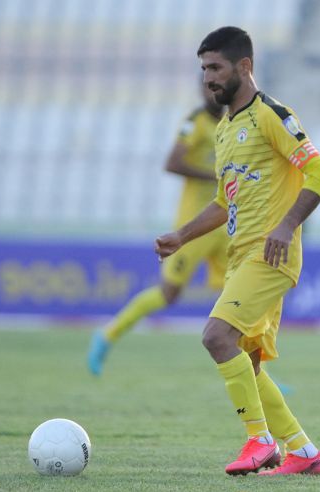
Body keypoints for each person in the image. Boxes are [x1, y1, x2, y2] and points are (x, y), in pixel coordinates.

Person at [154, 26, 320, 476]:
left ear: (245, 66)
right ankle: (304, 452)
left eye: (215, 68)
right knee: (248, 363)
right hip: (241, 256)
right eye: (203, 69)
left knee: (216, 337)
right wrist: (182, 235)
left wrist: (287, 226)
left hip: (270, 255)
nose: (208, 78)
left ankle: (260, 440)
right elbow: (223, 201)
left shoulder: (272, 115)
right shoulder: (225, 128)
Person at [87, 83, 227, 376]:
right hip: (193, 226)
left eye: (216, 86)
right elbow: (172, 163)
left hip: (225, 223)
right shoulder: (195, 122)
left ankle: (260, 373)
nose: (211, 92)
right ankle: (108, 334)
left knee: (238, 299)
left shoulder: (234, 122)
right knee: (168, 294)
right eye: (206, 87)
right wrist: (214, 175)